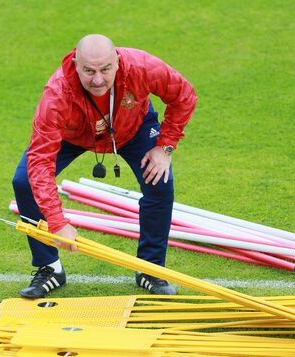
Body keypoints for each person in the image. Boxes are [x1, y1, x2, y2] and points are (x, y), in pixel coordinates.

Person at [12, 34, 197, 299]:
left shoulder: (143, 67)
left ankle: (150, 269)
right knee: (24, 182)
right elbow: (40, 161)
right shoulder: (56, 94)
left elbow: (184, 95)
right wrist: (56, 221)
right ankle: (50, 268)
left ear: (118, 62)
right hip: (73, 134)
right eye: (88, 70)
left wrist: (165, 146)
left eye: (105, 69)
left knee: (160, 182)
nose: (97, 80)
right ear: (75, 64)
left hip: (133, 127)